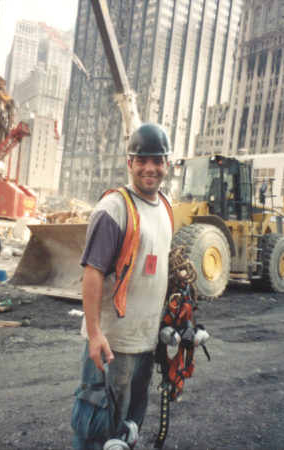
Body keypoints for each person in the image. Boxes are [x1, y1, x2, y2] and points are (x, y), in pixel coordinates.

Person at [71, 123, 173, 450]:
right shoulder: (113, 209)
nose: (150, 168)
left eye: (157, 161)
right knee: (96, 431)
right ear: (129, 163)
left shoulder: (167, 209)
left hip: (145, 345)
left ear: (167, 165)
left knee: (127, 430)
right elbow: (93, 273)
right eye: (142, 160)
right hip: (112, 347)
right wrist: (95, 332)